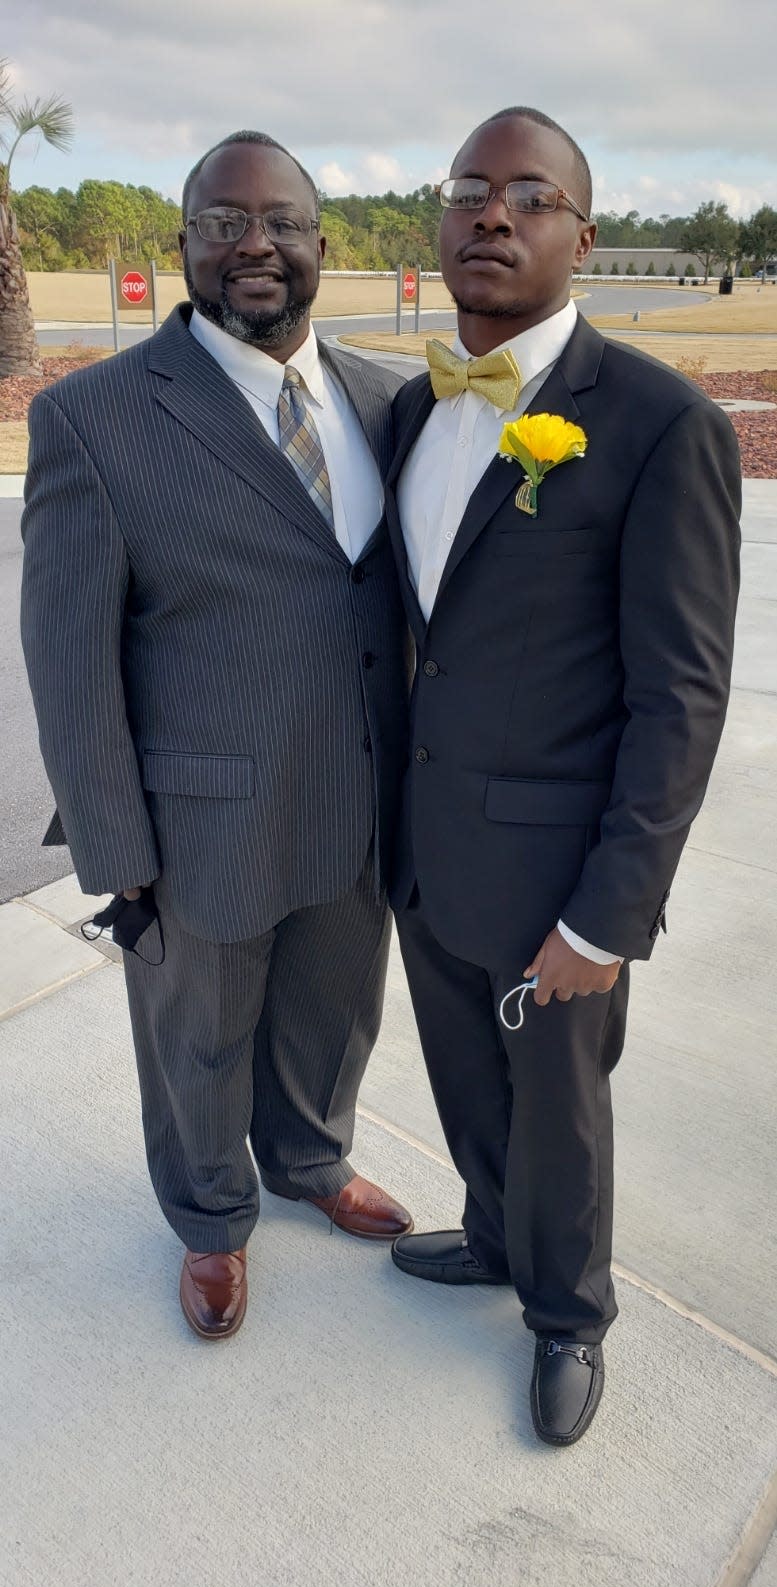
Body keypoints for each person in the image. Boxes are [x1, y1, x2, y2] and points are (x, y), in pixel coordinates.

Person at [21, 130, 413, 1342]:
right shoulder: (96, 418)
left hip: (359, 795)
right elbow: (68, 652)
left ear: (321, 245)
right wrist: (111, 838)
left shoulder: (386, 400)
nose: (256, 244)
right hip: (201, 815)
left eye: (283, 221)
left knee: (337, 1009)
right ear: (181, 243)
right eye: (223, 221)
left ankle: (307, 1157)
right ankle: (210, 1222)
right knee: (198, 1037)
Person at [385, 107, 740, 1444]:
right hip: (427, 849)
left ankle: (568, 1315)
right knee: (466, 1081)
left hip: (557, 877)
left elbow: (679, 696)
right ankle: (488, 1237)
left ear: (578, 238)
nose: (490, 214)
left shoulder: (658, 425)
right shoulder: (416, 405)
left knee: (561, 1115)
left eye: (526, 197)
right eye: (468, 189)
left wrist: (609, 912)